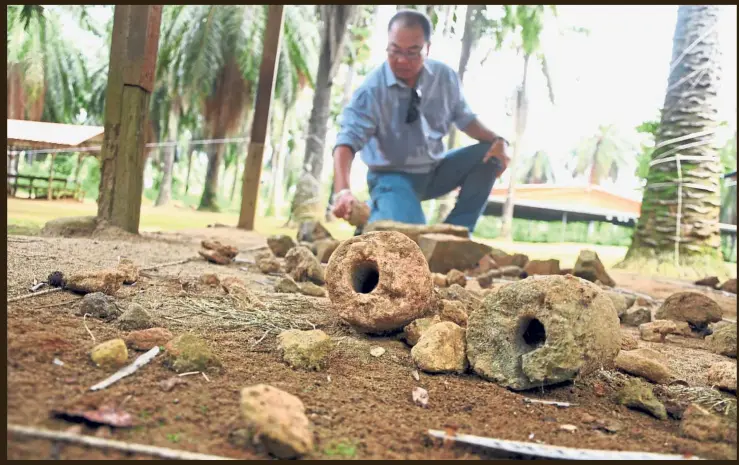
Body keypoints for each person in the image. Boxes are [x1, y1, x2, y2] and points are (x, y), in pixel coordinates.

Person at [330, 9, 510, 235]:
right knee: (410, 238)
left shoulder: (444, 78)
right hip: (391, 176)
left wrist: (498, 141)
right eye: (395, 51)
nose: (402, 60)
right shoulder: (371, 91)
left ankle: (456, 233)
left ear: (428, 48)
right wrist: (342, 191)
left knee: (489, 155)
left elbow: (467, 120)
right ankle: (377, 215)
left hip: (435, 170)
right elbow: (346, 142)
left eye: (413, 52)